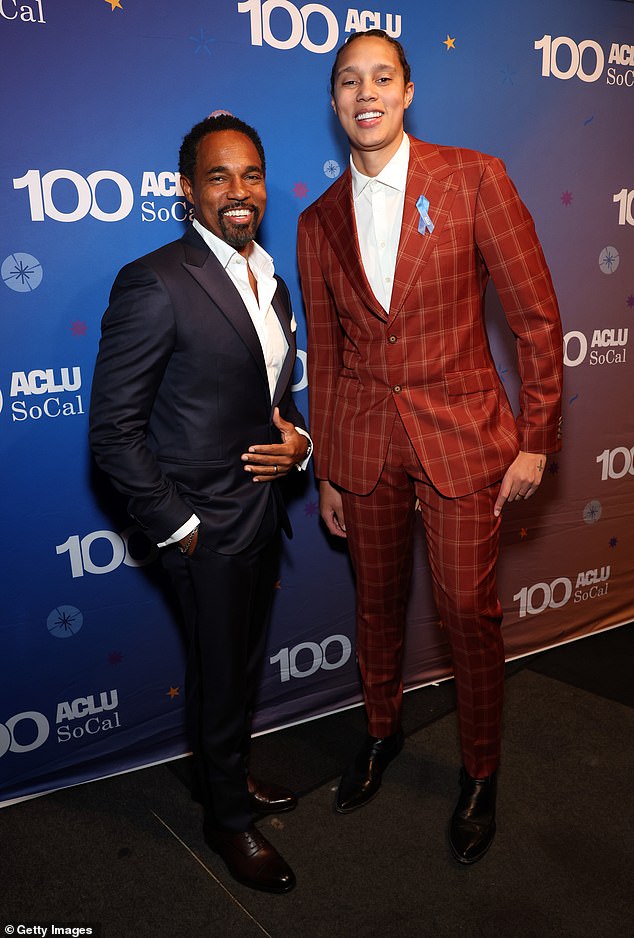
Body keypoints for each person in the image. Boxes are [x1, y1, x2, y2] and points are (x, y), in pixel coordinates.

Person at [297, 30, 563, 865]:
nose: (364, 93)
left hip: (463, 442)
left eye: (381, 78)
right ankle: (382, 734)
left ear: (408, 92)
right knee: (374, 609)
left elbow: (536, 320)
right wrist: (331, 472)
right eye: (348, 81)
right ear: (335, 100)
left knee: (466, 617)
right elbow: (330, 358)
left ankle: (480, 772)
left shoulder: (474, 177)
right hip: (365, 452)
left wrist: (537, 439)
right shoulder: (316, 220)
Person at [90, 113, 311, 893]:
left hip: (261, 515)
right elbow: (113, 433)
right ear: (187, 190)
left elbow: (274, 403)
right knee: (220, 672)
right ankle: (229, 821)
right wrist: (180, 527)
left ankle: (226, 778)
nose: (238, 191)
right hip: (202, 528)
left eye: (250, 175)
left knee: (238, 669)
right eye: (219, 177)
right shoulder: (154, 280)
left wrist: (301, 446)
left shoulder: (272, 278)